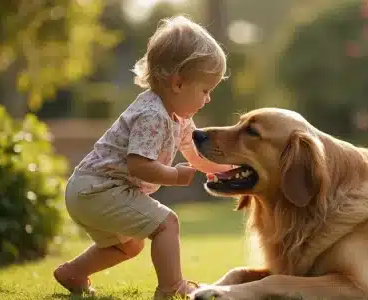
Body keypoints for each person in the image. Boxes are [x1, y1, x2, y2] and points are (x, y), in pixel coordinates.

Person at [53, 15, 234, 300]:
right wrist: (175, 176)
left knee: (131, 245)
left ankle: (73, 272)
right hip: (98, 188)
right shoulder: (152, 114)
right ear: (177, 83)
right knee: (166, 223)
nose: (208, 99)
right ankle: (171, 287)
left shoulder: (180, 119)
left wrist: (225, 170)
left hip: (93, 190)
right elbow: (138, 165)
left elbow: (196, 154)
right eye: (205, 90)